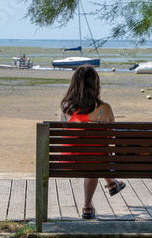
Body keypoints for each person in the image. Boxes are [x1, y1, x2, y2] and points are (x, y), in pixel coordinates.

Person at [60, 64, 126, 220]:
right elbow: (111, 137)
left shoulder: (65, 107)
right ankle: (87, 207)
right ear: (96, 85)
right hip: (95, 162)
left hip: (69, 161)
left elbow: (64, 134)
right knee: (96, 155)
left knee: (93, 154)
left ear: (74, 85)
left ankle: (111, 183)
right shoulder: (105, 108)